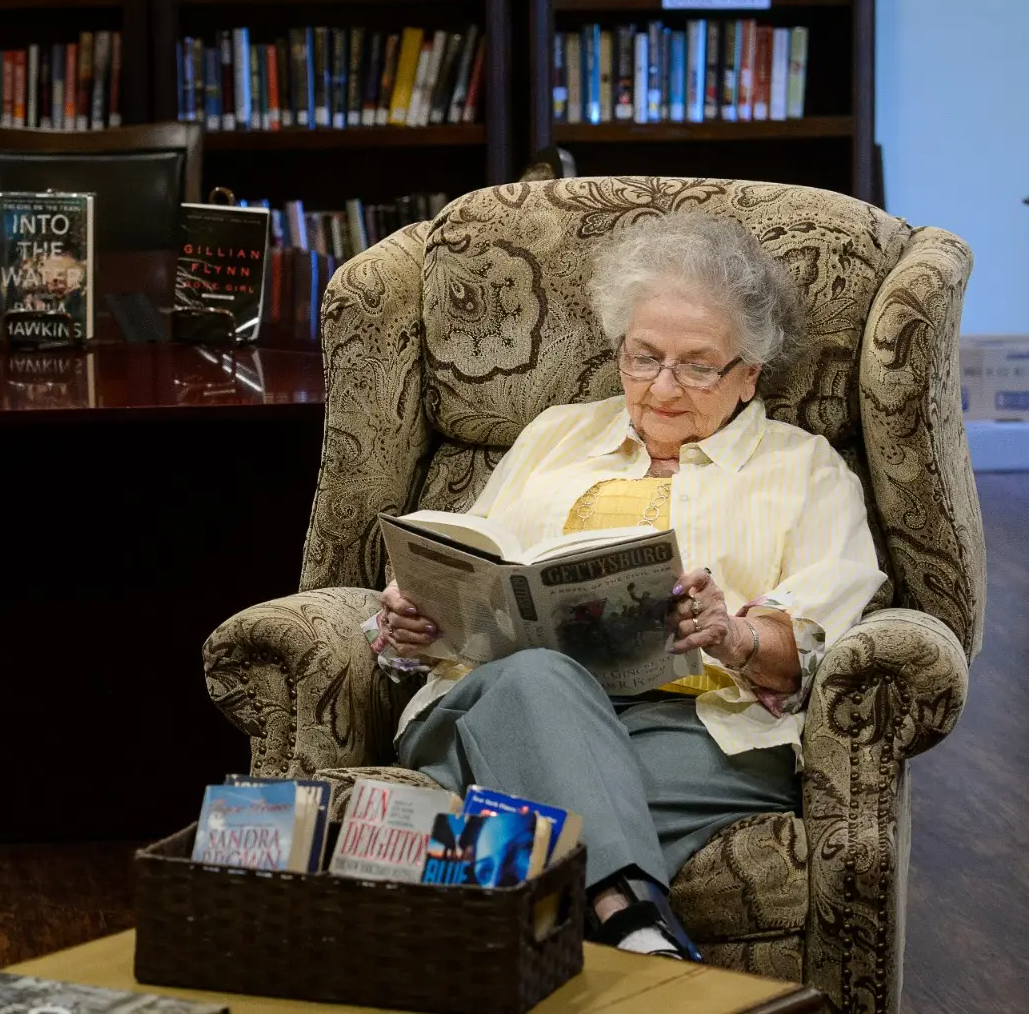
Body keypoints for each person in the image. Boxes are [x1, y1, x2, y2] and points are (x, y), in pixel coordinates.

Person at [371, 209, 886, 958]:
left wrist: (735, 635)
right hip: (505, 698)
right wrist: (410, 625)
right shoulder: (555, 434)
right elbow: (463, 566)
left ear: (747, 377)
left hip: (699, 735)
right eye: (643, 358)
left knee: (544, 787)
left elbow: (807, 646)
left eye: (698, 365)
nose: (663, 387)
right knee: (538, 682)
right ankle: (634, 922)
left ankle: (572, 896)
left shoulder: (805, 469)